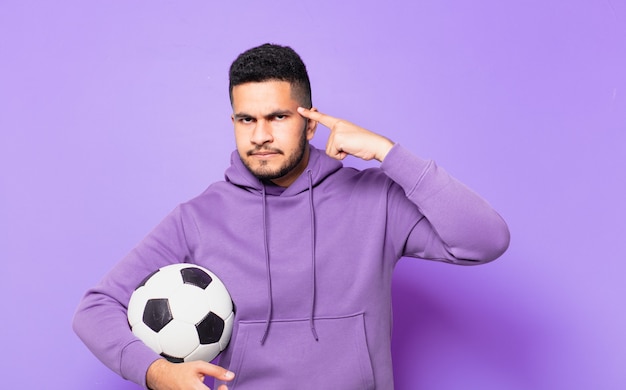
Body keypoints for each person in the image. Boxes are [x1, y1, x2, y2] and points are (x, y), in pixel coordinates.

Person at [73, 43, 510, 390]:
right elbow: (95, 309)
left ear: (310, 123)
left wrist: (387, 153)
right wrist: (155, 372)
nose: (260, 136)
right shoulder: (199, 217)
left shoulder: (374, 201)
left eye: (278, 117)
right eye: (246, 120)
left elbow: (485, 240)